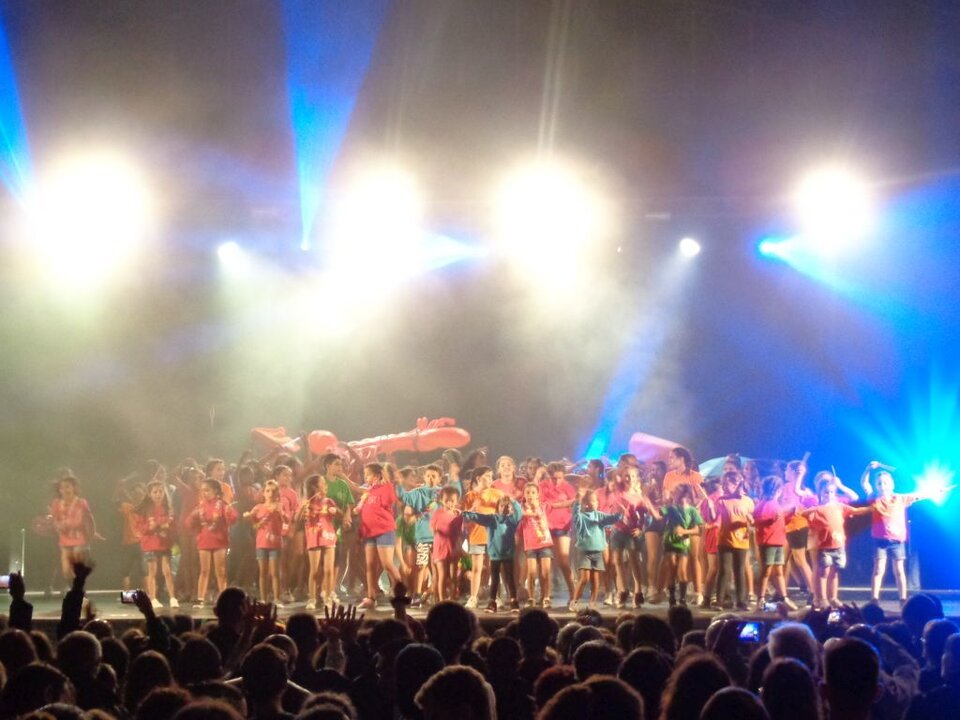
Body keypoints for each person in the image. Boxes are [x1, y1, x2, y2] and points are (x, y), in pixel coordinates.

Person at [798, 475, 870, 608]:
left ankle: (833, 597)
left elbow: (855, 509)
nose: (829, 494)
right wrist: (810, 512)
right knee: (823, 573)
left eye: (832, 492)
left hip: (838, 545)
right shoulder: (817, 508)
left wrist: (871, 509)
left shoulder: (839, 506)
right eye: (826, 492)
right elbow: (803, 514)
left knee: (835, 572)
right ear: (820, 492)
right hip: (824, 546)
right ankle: (821, 598)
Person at [861, 463, 924, 605]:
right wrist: (868, 469)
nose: (882, 486)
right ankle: (874, 599)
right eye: (879, 483)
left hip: (897, 541)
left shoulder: (900, 499)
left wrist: (936, 491)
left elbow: (919, 495)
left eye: (885, 483)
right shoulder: (873, 498)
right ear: (876, 486)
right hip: (880, 541)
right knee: (878, 570)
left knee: (899, 571)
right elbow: (864, 483)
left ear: (891, 485)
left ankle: (903, 599)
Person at [463, 494, 522, 613]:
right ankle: (492, 602)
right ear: (497, 507)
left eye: (507, 506)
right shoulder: (492, 519)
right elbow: (476, 517)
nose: (504, 508)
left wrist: (512, 500)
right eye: (502, 505)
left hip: (508, 554)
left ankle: (513, 601)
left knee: (510, 578)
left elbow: (519, 512)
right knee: (494, 579)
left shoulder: (512, 520)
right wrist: (469, 511)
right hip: (495, 555)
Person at [356, 463, 404, 610]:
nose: (366, 477)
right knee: (370, 565)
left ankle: (400, 594)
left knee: (387, 564)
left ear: (377, 475)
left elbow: (390, 500)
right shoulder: (368, 491)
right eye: (365, 475)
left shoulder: (387, 488)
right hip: (369, 532)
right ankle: (371, 597)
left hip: (384, 530)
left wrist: (385, 479)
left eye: (368, 474)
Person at [611, 466, 659, 608]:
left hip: (631, 532)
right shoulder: (618, 492)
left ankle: (638, 592)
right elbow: (614, 475)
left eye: (632, 476)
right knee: (617, 561)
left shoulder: (639, 497)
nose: (629, 479)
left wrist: (641, 529)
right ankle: (623, 590)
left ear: (636, 478)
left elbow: (646, 517)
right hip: (618, 530)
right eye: (626, 476)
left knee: (634, 561)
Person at [187, 478, 238, 607]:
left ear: (215, 491)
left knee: (220, 571)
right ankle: (200, 599)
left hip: (219, 540)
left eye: (207, 490)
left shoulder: (222, 504)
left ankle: (225, 599)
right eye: (202, 490)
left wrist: (229, 513)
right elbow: (189, 523)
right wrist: (193, 516)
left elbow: (233, 519)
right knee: (204, 571)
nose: (204, 493)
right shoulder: (200, 506)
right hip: (204, 540)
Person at [568, 489, 621, 611]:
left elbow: (612, 518)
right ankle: (574, 601)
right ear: (586, 504)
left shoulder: (600, 515)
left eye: (596, 500)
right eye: (593, 500)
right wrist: (577, 501)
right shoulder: (582, 517)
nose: (596, 502)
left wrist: (620, 513)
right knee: (584, 578)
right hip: (585, 552)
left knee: (596, 579)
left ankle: (593, 602)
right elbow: (575, 516)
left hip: (597, 552)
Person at [461, 465, 504, 609]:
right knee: (476, 568)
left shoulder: (497, 494)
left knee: (494, 568)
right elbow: (465, 518)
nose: (490, 479)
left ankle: (495, 597)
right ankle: (473, 597)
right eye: (487, 476)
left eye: (491, 476)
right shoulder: (469, 496)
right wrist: (474, 507)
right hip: (476, 535)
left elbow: (503, 513)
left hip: (493, 536)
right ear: (478, 478)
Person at [49, 476, 104, 585]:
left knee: (77, 562)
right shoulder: (56, 504)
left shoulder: (81, 502)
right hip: (64, 541)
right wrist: (58, 526)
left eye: (67, 487)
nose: (65, 490)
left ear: (74, 488)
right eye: (62, 488)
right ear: (59, 490)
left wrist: (93, 532)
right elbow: (55, 521)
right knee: (66, 572)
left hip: (80, 539)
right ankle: (76, 590)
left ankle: (79, 588)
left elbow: (89, 519)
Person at [754, 476, 798, 610]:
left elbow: (779, 520)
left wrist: (789, 515)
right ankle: (761, 599)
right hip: (768, 542)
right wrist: (771, 519)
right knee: (766, 571)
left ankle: (784, 598)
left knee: (779, 570)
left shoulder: (775, 503)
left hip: (778, 541)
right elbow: (757, 520)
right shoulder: (764, 504)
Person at [243, 479, 290, 606]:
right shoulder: (258, 507)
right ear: (263, 493)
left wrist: (281, 513)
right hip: (261, 543)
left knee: (274, 572)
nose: (270, 493)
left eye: (273, 491)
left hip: (275, 543)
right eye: (268, 491)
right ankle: (263, 599)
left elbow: (287, 520)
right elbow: (253, 524)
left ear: (277, 493)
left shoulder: (279, 506)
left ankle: (276, 598)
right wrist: (252, 520)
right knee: (262, 572)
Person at [714, 470, 755, 610]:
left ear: (736, 484)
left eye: (727, 484)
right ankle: (719, 601)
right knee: (724, 570)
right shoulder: (722, 500)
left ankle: (741, 601)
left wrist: (751, 521)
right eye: (723, 484)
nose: (724, 487)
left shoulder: (748, 501)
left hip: (742, 540)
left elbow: (752, 520)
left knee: (740, 570)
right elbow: (715, 516)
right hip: (725, 540)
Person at [136, 480, 179, 609]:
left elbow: (173, 525)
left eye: (160, 491)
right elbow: (140, 527)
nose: (158, 494)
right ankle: (153, 598)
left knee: (167, 571)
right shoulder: (145, 510)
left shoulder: (169, 508)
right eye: (155, 492)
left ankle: (173, 597)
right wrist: (150, 527)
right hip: (150, 543)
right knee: (152, 571)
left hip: (165, 543)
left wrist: (167, 528)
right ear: (149, 494)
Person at [299, 475, 340, 611]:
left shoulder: (328, 501)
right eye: (322, 482)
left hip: (328, 535)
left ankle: (328, 597)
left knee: (328, 570)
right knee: (314, 570)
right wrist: (302, 509)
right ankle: (312, 598)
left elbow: (338, 514)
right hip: (313, 536)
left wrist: (334, 511)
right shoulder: (307, 502)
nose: (325, 484)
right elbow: (297, 519)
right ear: (314, 486)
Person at [539, 462, 577, 603]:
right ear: (548, 476)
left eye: (560, 478)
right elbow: (540, 503)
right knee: (545, 563)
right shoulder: (542, 486)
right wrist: (562, 503)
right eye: (554, 478)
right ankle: (545, 595)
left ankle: (573, 593)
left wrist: (555, 505)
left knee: (563, 561)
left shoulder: (567, 487)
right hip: (545, 527)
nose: (557, 481)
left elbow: (574, 501)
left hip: (563, 526)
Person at [659, 484, 702, 607]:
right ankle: (672, 598)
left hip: (683, 543)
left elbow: (697, 529)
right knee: (672, 569)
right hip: (670, 541)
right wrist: (650, 502)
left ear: (685, 495)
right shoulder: (671, 508)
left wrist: (684, 531)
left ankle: (682, 599)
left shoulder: (692, 511)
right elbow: (658, 515)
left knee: (682, 570)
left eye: (676, 492)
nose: (674, 494)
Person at [518, 482, 555, 608]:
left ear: (538, 494)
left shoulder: (543, 506)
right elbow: (519, 514)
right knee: (532, 572)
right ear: (524, 494)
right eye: (527, 492)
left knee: (545, 572)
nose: (530, 495)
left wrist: (573, 501)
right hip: (531, 544)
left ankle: (546, 597)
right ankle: (531, 598)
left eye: (533, 492)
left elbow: (556, 505)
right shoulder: (521, 508)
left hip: (544, 542)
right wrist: (531, 513)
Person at [429, 486, 464, 602]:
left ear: (457, 500)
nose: (449, 503)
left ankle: (452, 599)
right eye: (447, 500)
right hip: (440, 547)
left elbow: (461, 533)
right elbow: (433, 529)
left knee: (454, 575)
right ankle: (442, 600)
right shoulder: (437, 513)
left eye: (452, 500)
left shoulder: (458, 514)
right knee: (442, 575)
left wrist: (459, 546)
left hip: (453, 547)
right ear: (441, 500)